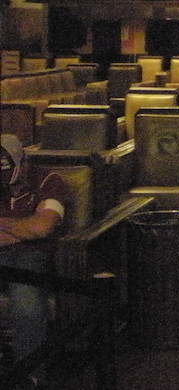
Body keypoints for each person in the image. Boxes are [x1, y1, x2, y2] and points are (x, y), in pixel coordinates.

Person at [0, 134, 69, 384]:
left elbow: (42, 227)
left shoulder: (48, 181)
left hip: (30, 255)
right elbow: (31, 226)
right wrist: (21, 228)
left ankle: (30, 377)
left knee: (26, 300)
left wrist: (10, 228)